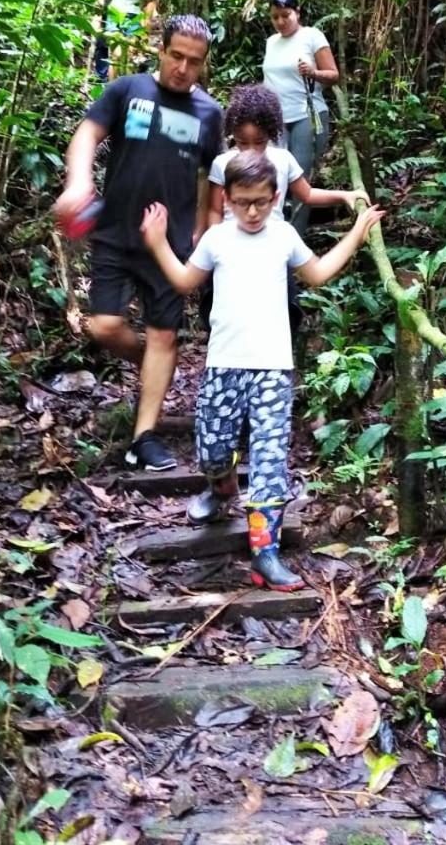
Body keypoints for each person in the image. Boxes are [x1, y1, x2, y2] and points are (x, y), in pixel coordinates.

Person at [140, 151, 384, 591]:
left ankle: (264, 552)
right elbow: (183, 281)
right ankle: (221, 488)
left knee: (270, 461)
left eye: (260, 201)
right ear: (227, 199)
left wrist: (355, 235)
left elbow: (318, 274)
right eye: (241, 202)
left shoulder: (284, 235)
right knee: (213, 450)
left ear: (276, 197)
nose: (251, 211)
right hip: (224, 364)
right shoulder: (217, 238)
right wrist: (157, 242)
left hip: (272, 368)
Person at [54, 14, 223, 471]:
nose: (183, 68)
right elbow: (88, 134)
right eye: (176, 56)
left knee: (165, 333)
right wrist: (78, 182)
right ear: (161, 50)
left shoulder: (210, 113)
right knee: (105, 326)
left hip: (168, 245)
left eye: (195, 61)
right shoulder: (127, 90)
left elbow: (215, 172)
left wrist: (205, 225)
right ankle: (151, 364)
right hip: (115, 231)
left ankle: (143, 436)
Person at [207, 84, 368, 226]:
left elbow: (308, 194)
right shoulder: (222, 164)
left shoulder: (282, 159)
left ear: (270, 134)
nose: (251, 150)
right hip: (232, 248)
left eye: (259, 142)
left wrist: (345, 196)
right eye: (242, 142)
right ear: (233, 135)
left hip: (273, 245)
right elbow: (215, 210)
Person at [262, 0, 340, 234]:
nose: (280, 21)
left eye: (286, 15)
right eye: (275, 17)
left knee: (299, 180)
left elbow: (334, 75)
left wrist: (313, 72)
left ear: (298, 12)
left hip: (306, 115)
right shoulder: (271, 42)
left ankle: (296, 241)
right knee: (272, 176)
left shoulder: (312, 36)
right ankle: (270, 232)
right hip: (275, 117)